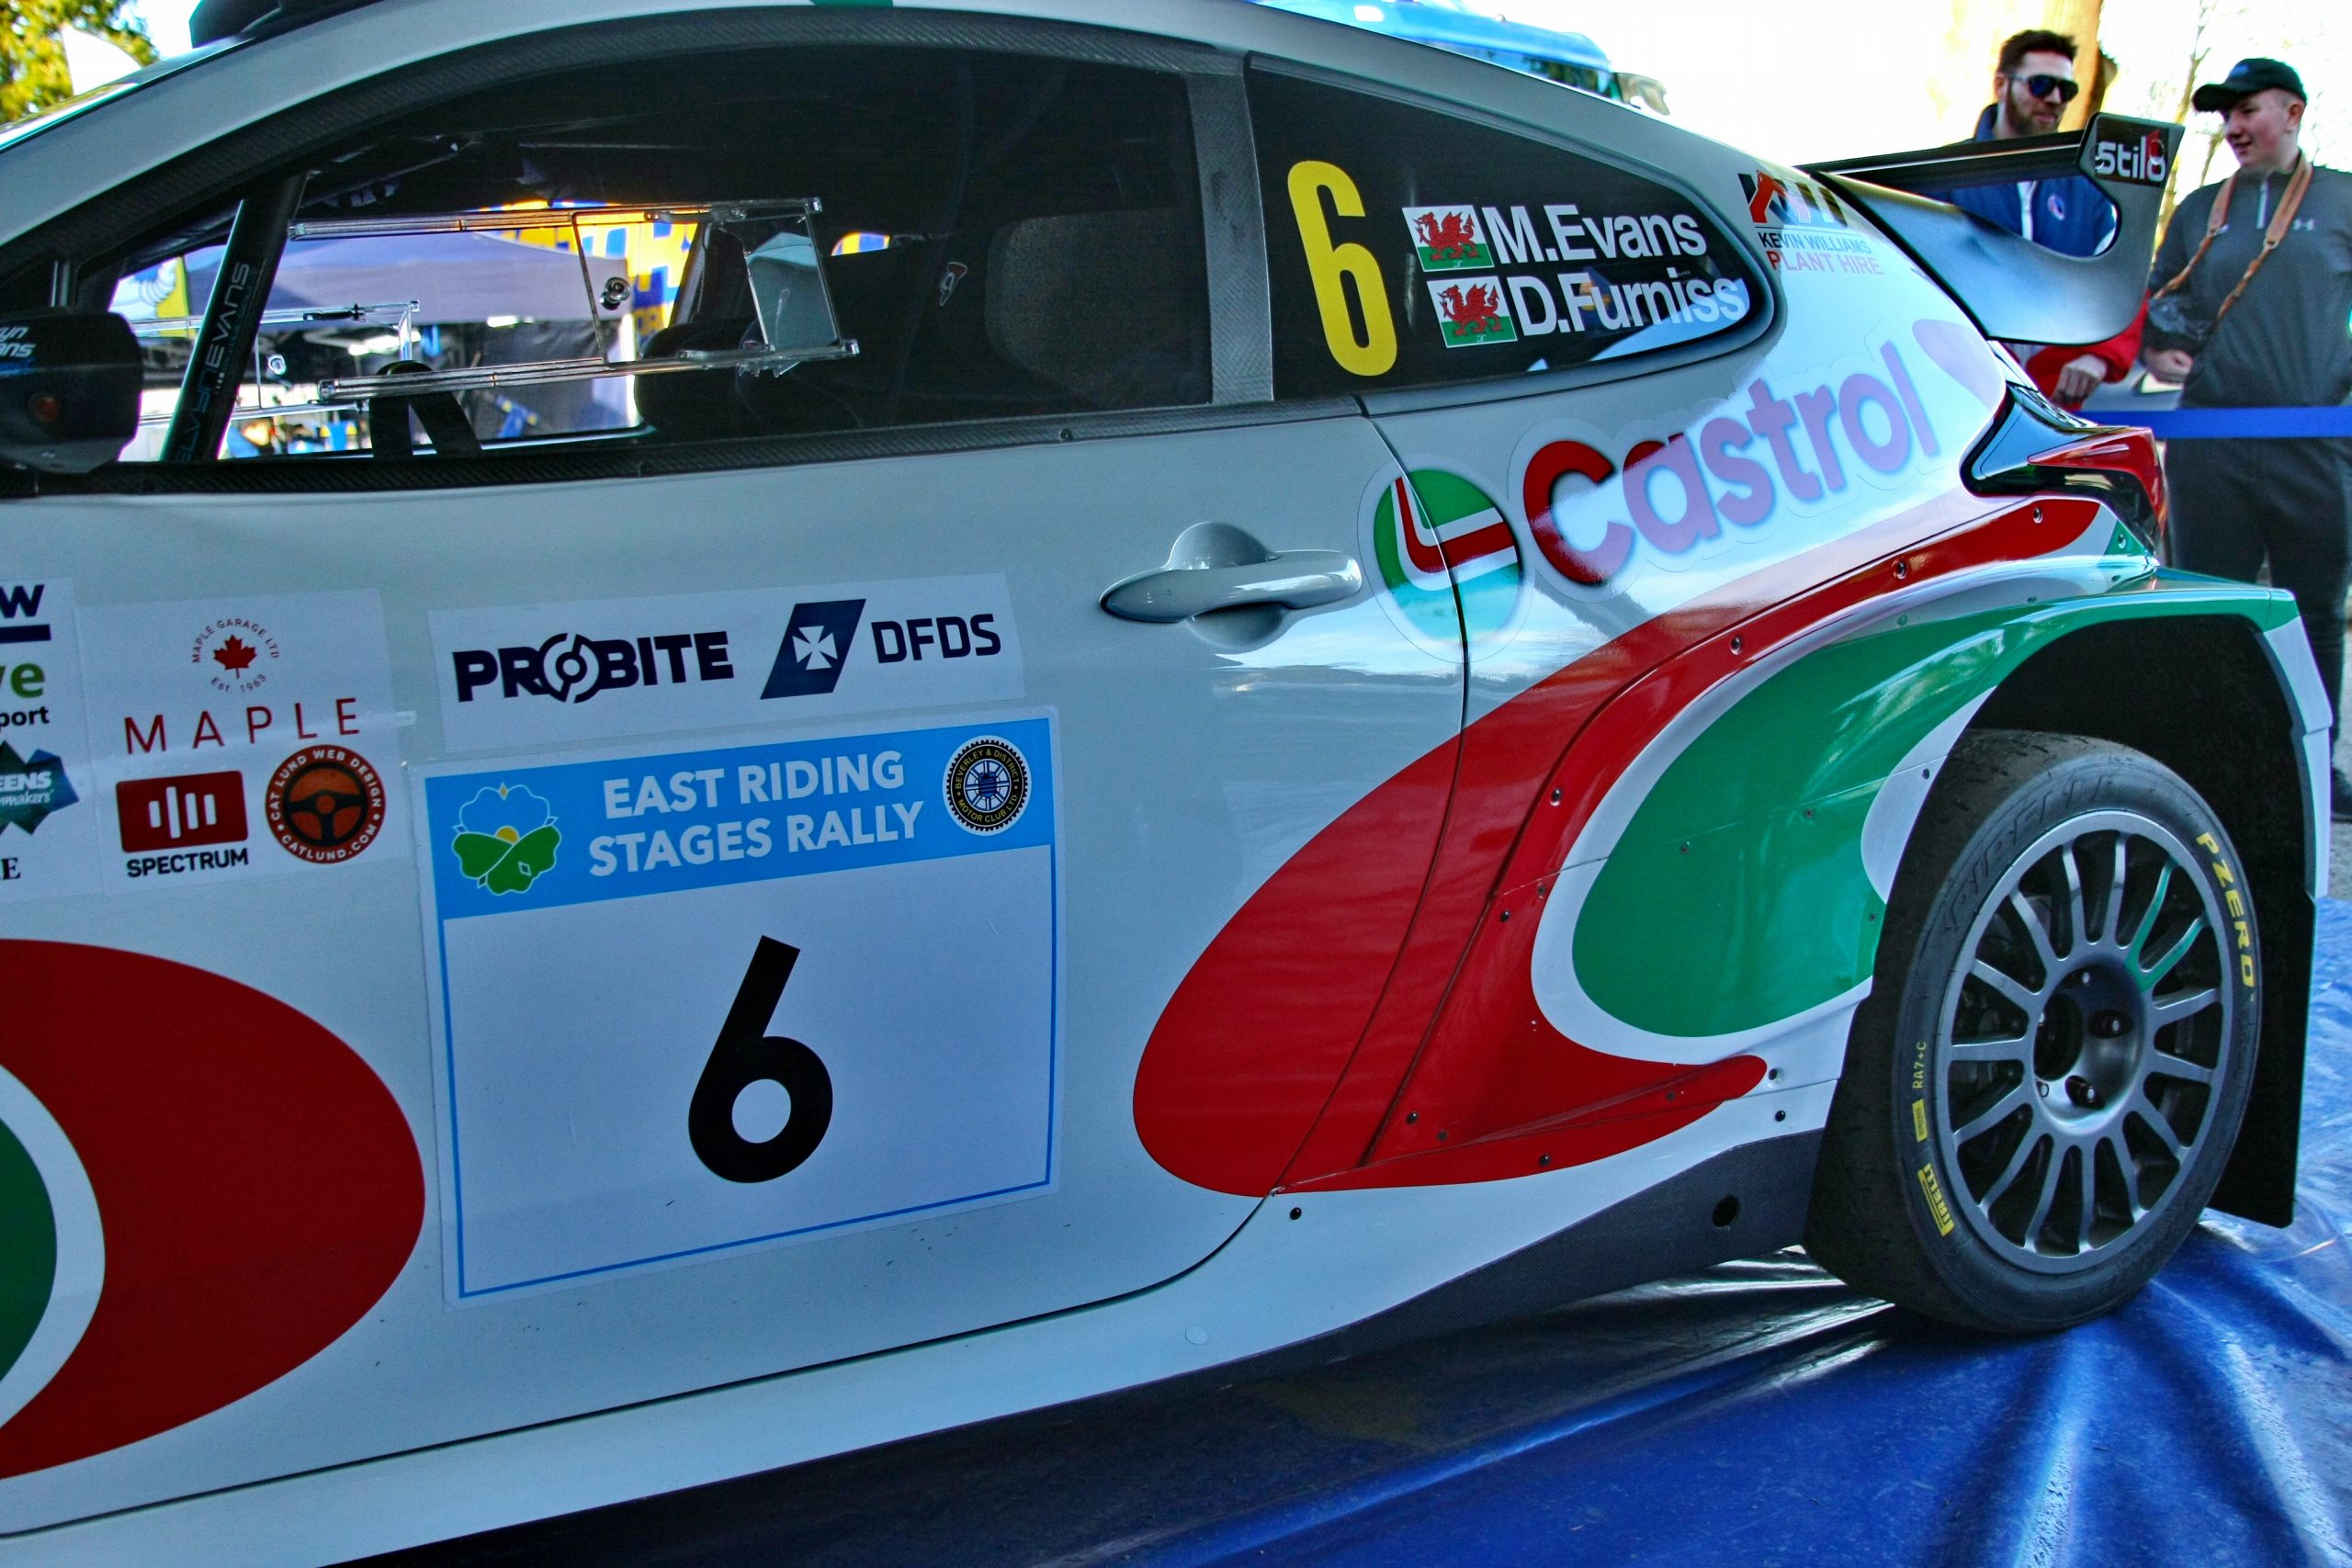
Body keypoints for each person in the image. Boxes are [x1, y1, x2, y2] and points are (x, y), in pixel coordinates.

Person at [2143, 59, 2352, 812]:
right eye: (2225, 114)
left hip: (2317, 442)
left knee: (2316, 608)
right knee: (2211, 606)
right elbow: (2157, 299)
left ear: (2293, 112)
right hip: (2211, 445)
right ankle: (2207, 768)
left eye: (2248, 110)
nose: (2233, 126)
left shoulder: (2342, 198)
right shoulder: (2202, 209)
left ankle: (2314, 770)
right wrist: (2156, 349)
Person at [1949, 28, 2143, 408]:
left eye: (2066, 90)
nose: (2055, 99)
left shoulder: (2087, 191)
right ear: (2002, 85)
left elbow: (2123, 280)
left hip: (2052, 408)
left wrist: (2099, 357)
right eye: (2041, 85)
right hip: (1961, 397)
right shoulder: (1944, 175)